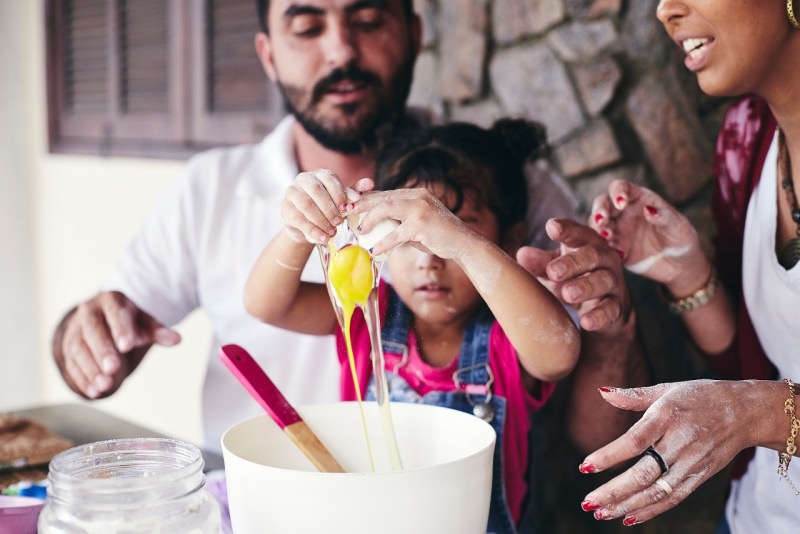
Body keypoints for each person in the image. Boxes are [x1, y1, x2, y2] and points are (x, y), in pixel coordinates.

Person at [50, 0, 641, 460]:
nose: (340, 51)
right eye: (307, 28)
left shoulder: (503, 180)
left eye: (365, 18)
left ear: (413, 33)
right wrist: (87, 338)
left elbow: (565, 366)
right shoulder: (210, 188)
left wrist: (459, 236)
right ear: (267, 53)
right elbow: (255, 303)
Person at [244, 118, 580, 533]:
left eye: (454, 230)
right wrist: (299, 230)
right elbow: (266, 305)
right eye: (405, 232)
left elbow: (559, 352)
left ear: (506, 239)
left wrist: (462, 243)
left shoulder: (507, 334)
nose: (429, 258)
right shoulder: (370, 312)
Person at [575, 0, 800, 531]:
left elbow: (754, 400)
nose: (664, 11)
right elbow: (753, 370)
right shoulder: (745, 139)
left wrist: (760, 414)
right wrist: (687, 273)